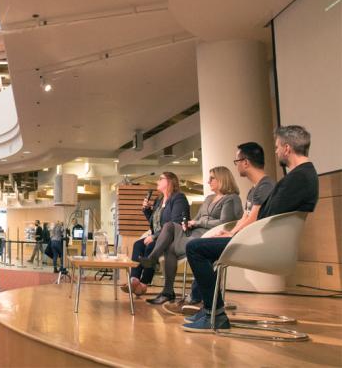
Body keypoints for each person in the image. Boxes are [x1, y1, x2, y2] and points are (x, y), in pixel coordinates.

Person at [184, 126, 319, 332]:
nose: (275, 151)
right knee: (201, 247)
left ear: (287, 148)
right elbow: (266, 214)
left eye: (276, 147)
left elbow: (264, 216)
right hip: (260, 240)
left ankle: (215, 313)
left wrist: (236, 232)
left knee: (195, 248)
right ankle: (211, 309)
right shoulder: (301, 175)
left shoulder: (298, 178)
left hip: (262, 244)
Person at [137, 166, 243, 304]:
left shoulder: (231, 198)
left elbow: (225, 222)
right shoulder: (209, 198)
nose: (208, 181)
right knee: (169, 226)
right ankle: (163, 283)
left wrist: (198, 222)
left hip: (210, 235)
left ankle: (165, 286)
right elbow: (197, 217)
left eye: (212, 178)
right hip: (194, 232)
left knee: (170, 247)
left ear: (222, 179)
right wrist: (189, 223)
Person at [127, 172, 189, 297]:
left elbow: (175, 223)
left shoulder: (178, 198)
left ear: (170, 181)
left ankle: (144, 284)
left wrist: (154, 237)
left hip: (170, 238)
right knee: (138, 244)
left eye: (161, 179)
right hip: (157, 235)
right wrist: (146, 211)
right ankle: (134, 280)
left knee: (151, 246)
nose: (157, 181)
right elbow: (154, 222)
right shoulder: (159, 200)